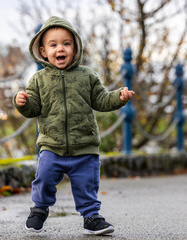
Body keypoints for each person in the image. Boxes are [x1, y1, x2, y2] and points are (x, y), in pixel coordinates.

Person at [13, 16, 134, 235]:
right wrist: (22, 103)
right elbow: (32, 109)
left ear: (75, 48)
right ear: (43, 51)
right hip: (51, 145)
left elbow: (101, 99)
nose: (61, 49)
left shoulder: (87, 76)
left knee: (87, 184)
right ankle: (39, 209)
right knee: (44, 177)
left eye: (66, 44)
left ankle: (91, 217)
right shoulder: (38, 80)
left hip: (84, 145)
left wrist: (119, 97)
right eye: (54, 44)